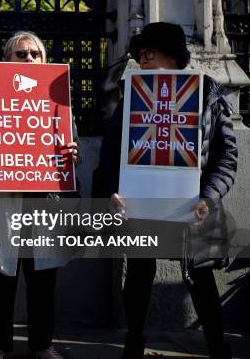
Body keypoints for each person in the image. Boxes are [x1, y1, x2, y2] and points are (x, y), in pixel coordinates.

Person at [96, 22, 237, 359]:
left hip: (193, 206)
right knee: (140, 272)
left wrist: (208, 197)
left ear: (172, 55)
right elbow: (111, 152)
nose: (143, 61)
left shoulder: (208, 93)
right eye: (140, 55)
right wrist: (110, 193)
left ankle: (218, 347)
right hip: (140, 203)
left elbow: (226, 156)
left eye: (149, 53)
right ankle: (134, 342)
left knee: (199, 276)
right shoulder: (132, 95)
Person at [0, 31, 79, 359]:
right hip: (3, 205)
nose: (29, 59)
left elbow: (70, 148)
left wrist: (72, 153)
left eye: (34, 54)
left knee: (42, 280)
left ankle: (42, 345)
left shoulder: (59, 103)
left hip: (42, 205)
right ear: (6, 61)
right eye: (20, 54)